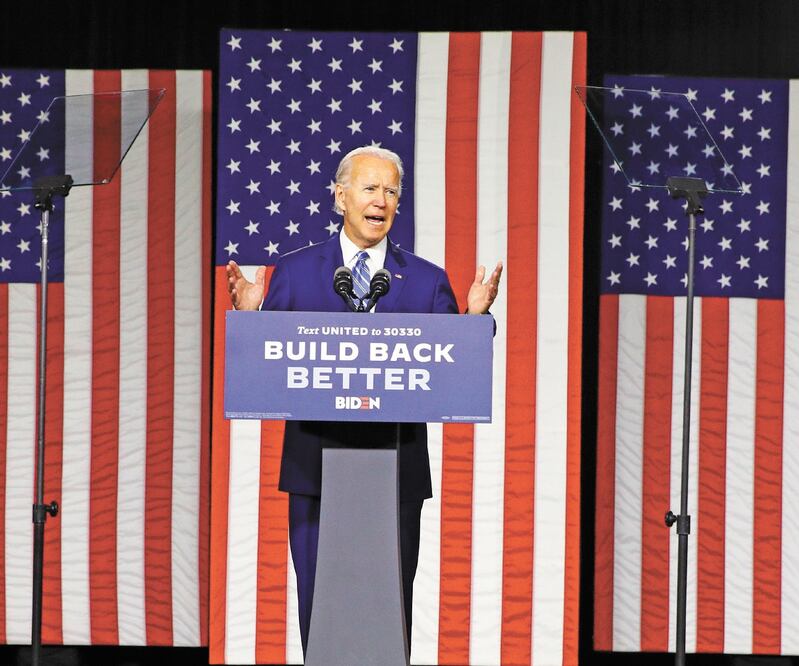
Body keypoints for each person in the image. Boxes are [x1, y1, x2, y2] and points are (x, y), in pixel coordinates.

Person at [226, 145, 502, 654]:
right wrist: (251, 321)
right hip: (315, 470)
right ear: (341, 196)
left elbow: (452, 370)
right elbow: (264, 367)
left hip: (394, 474)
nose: (382, 200)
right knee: (319, 607)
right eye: (371, 187)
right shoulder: (295, 272)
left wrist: (474, 324)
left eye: (392, 191)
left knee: (388, 611)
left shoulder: (425, 280)